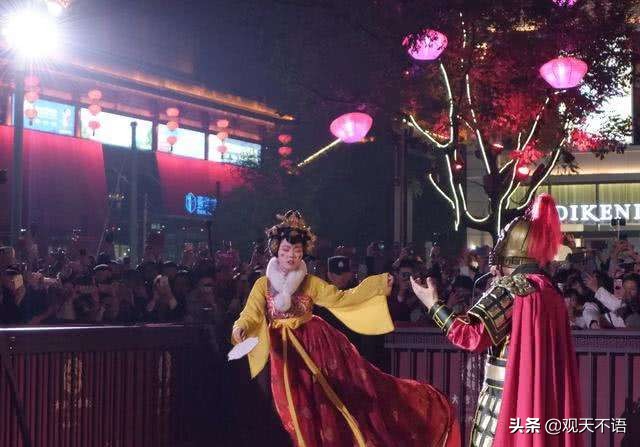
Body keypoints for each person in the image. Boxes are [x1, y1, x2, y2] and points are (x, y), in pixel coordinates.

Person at [232, 211, 459, 447]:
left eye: (296, 250)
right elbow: (251, 313)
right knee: (291, 409)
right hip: (284, 354)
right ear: (276, 250)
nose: (291, 255)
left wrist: (377, 285)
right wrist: (241, 328)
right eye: (286, 250)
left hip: (315, 349)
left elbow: (342, 298)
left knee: (330, 406)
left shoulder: (310, 283)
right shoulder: (263, 285)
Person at [411, 194, 582, 447]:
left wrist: (433, 304)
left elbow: (470, 336)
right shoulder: (549, 290)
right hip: (543, 401)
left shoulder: (511, 287)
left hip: (506, 399)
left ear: (506, 257)